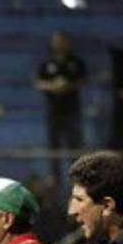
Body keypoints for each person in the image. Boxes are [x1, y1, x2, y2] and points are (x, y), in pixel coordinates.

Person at [33, 32, 86, 184]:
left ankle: (78, 177)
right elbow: (38, 82)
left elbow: (84, 81)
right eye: (57, 41)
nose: (60, 44)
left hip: (72, 111)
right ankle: (55, 178)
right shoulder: (46, 63)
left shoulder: (76, 62)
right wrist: (52, 86)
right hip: (53, 112)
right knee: (54, 147)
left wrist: (67, 86)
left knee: (75, 146)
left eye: (63, 41)